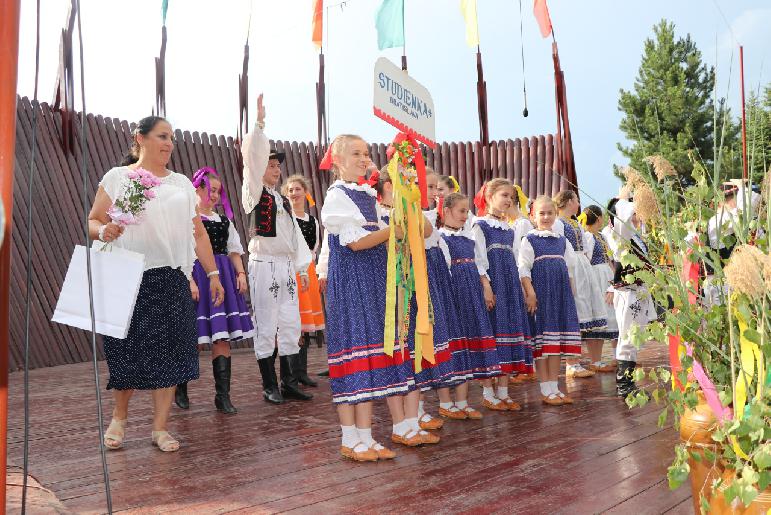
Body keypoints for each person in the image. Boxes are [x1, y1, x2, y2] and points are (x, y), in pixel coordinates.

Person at [89, 115, 225, 452]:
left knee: (170, 351)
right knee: (126, 349)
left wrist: (212, 274)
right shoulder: (119, 177)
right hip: (126, 273)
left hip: (170, 275)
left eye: (172, 138)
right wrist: (103, 230)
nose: (169, 143)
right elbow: (94, 219)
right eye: (162, 136)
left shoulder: (180, 183)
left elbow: (198, 233)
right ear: (140, 138)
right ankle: (119, 418)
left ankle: (160, 428)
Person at [320, 134, 415, 461]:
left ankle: (366, 435)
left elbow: (389, 217)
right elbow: (356, 243)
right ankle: (349, 437)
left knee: (370, 355)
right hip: (352, 282)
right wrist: (393, 231)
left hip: (372, 281)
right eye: (355, 153)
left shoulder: (365, 194)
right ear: (338, 160)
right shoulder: (337, 196)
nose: (363, 159)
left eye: (366, 153)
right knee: (354, 353)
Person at [241, 94, 313, 404]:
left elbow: (295, 234)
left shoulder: (282, 199)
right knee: (266, 323)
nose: (275, 169)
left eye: (277, 165)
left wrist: (301, 267)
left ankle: (289, 381)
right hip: (264, 263)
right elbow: (252, 158)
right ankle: (268, 385)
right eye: (270, 164)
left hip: (284, 265)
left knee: (290, 322)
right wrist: (258, 124)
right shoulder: (254, 192)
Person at [176, 167, 254, 415]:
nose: (215, 196)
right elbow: (181, 251)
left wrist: (240, 274)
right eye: (211, 190)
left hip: (222, 277)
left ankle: (223, 396)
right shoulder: (188, 219)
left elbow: (234, 250)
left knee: (221, 336)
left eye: (219, 192)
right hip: (198, 274)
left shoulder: (224, 221)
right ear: (197, 189)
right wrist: (189, 280)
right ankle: (181, 388)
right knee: (194, 336)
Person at [471, 179, 533, 410]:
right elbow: (477, 259)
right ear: (489, 196)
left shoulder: (510, 228)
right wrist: (486, 286)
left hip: (510, 285)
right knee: (492, 334)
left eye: (511, 197)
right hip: (493, 284)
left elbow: (517, 260)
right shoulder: (480, 225)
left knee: (508, 332)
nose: (508, 200)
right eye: (504, 195)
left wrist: (522, 289)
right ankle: (488, 393)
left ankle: (504, 392)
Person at [439, 192, 499, 414]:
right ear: (446, 211)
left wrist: (486, 287)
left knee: (467, 346)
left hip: (472, 294)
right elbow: (443, 270)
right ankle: (446, 404)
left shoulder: (469, 238)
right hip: (454, 295)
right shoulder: (439, 238)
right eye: (461, 211)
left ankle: (463, 402)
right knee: (453, 345)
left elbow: (479, 265)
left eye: (467, 211)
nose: (466, 216)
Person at [518, 195, 581, 405]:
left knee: (556, 343)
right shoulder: (529, 240)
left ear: (556, 215)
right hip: (542, 295)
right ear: (533, 216)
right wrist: (530, 292)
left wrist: (570, 290)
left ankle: (554, 386)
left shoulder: (562, 241)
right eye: (541, 213)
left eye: (550, 213)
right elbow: (524, 269)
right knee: (543, 342)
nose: (546, 217)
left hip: (560, 295)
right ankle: (545, 388)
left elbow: (570, 267)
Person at [553, 190, 607, 379]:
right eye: (576, 200)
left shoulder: (575, 223)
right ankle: (571, 363)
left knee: (587, 309)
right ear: (568, 202)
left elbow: (584, 249)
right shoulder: (558, 222)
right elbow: (559, 247)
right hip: (571, 266)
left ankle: (589, 361)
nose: (578, 204)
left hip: (582, 266)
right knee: (574, 312)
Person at [612, 199, 657, 399]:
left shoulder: (636, 236)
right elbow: (622, 216)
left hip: (639, 289)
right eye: (634, 212)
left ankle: (627, 384)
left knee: (634, 337)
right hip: (628, 291)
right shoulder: (621, 234)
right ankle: (624, 386)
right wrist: (628, 198)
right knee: (628, 338)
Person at [283, 174, 325, 387]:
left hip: (307, 268)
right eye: (290, 190)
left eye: (297, 189)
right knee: (292, 321)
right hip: (289, 269)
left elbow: (315, 247)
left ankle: (301, 372)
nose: (294, 193)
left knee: (305, 324)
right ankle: (290, 373)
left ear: (305, 192)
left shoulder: (313, 221)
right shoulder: (285, 218)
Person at [579, 205, 618, 373]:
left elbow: (609, 259)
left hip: (606, 276)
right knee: (597, 320)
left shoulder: (601, 236)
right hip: (595, 277)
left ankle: (614, 357)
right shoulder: (587, 236)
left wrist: (615, 279)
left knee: (610, 318)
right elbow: (586, 260)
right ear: (599, 218)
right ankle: (595, 360)